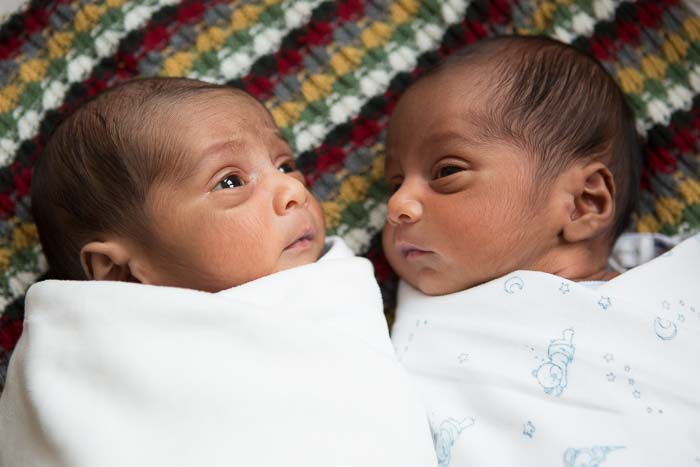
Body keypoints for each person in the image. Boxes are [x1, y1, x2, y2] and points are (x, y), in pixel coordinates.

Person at [0, 78, 437, 467]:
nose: (294, 190)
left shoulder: (329, 288)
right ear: (118, 273)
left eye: (284, 164)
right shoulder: (80, 361)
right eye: (230, 182)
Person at [384, 36, 700, 466]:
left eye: (446, 172)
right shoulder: (385, 318)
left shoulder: (679, 288)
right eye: (394, 183)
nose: (397, 206)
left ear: (583, 203)